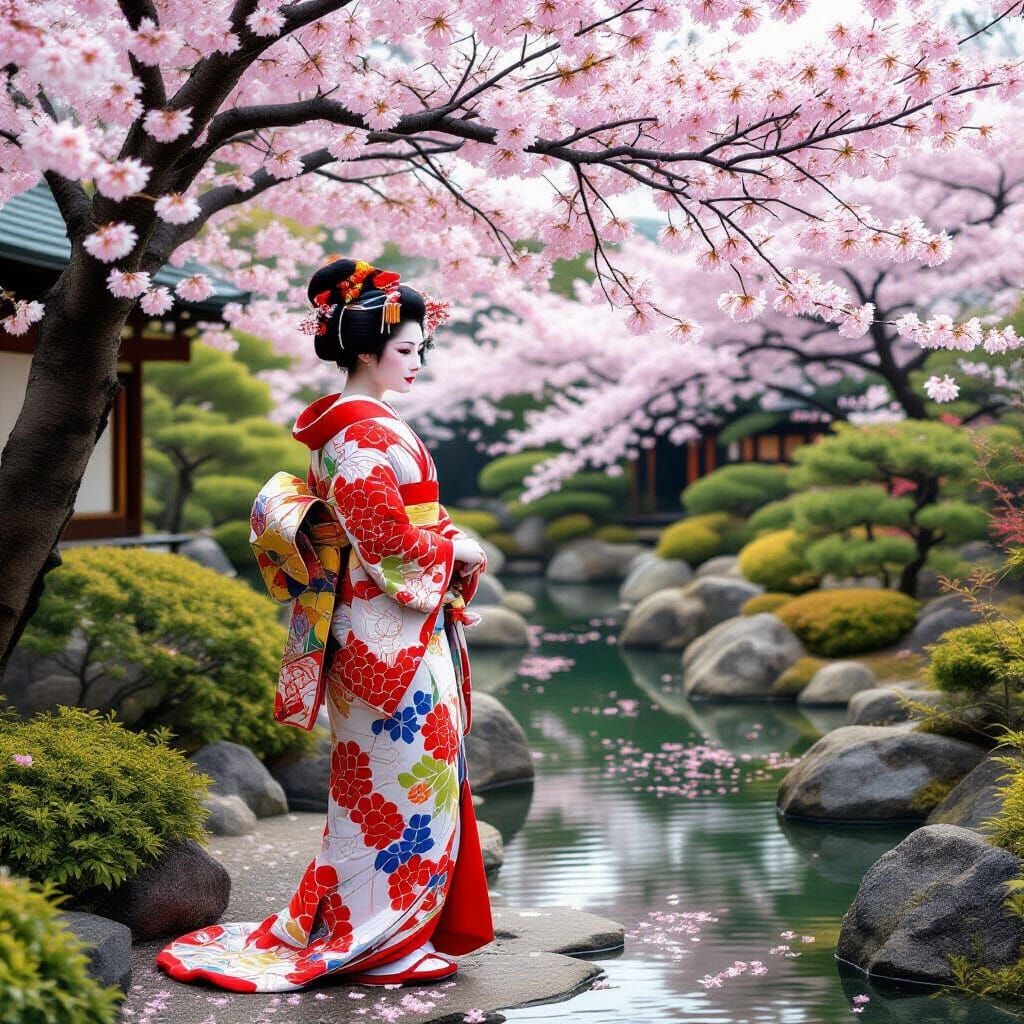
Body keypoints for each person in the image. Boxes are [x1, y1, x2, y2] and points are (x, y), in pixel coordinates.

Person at [156, 258, 494, 993]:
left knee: (391, 779)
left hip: (380, 624)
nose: (417, 361)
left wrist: (441, 539)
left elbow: (396, 523)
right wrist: (455, 550)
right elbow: (382, 538)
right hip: (386, 630)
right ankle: (380, 938)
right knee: (403, 782)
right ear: (366, 351)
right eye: (406, 349)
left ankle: (383, 927)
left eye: (421, 349)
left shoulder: (351, 424)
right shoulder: (357, 432)